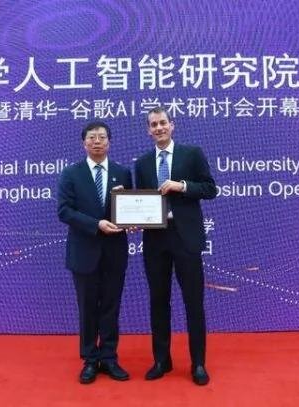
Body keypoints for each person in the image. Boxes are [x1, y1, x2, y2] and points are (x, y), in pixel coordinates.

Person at [134, 106, 216, 385]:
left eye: (163, 123)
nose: (158, 128)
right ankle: (161, 360)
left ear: (173, 125)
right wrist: (131, 216)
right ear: (148, 130)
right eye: (153, 124)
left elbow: (210, 188)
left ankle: (199, 364)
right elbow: (141, 201)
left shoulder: (192, 154)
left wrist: (181, 186)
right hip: (155, 239)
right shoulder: (143, 163)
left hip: (186, 238)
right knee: (158, 301)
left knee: (193, 302)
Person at [57, 121, 133, 384]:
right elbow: (64, 211)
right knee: (88, 308)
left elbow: (128, 208)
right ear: (84, 143)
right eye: (92, 137)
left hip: (115, 252)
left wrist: (132, 221)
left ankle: (109, 357)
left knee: (111, 307)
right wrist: (96, 224)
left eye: (102, 137)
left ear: (109, 142)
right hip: (84, 252)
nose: (97, 141)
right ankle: (90, 359)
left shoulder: (123, 173)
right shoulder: (71, 173)